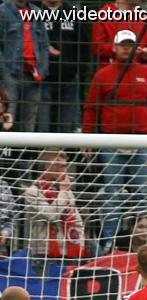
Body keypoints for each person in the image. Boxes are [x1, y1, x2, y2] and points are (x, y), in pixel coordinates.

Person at [83, 29, 147, 254]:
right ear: (114, 47)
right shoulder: (102, 75)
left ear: (136, 48)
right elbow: (91, 108)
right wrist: (87, 137)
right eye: (123, 45)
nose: (126, 49)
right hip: (112, 140)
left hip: (140, 139)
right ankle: (109, 242)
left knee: (142, 193)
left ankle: (143, 241)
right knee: (113, 194)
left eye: (130, 45)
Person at [24, 149, 88, 259]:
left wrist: (80, 243)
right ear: (47, 167)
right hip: (44, 252)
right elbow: (51, 216)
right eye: (59, 166)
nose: (64, 171)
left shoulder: (66, 190)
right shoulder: (32, 192)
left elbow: (77, 221)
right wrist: (63, 192)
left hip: (70, 250)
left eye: (65, 166)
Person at [37, 0, 87, 133]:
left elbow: (83, 45)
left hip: (69, 77)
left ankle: (65, 147)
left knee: (67, 126)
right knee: (42, 126)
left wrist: (78, 71)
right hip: (42, 78)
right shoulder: (34, 11)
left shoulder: (73, 13)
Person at [0, 0, 50, 132]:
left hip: (34, 73)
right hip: (10, 73)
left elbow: (44, 45)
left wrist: (42, 70)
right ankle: (6, 145)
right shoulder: (3, 11)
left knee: (29, 121)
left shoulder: (37, 12)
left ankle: (26, 147)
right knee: (7, 116)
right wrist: (4, 70)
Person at [91, 0, 147, 64]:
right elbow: (96, 48)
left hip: (137, 74)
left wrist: (146, 56)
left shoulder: (142, 17)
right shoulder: (103, 15)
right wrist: (119, 49)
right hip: (112, 74)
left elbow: (145, 46)